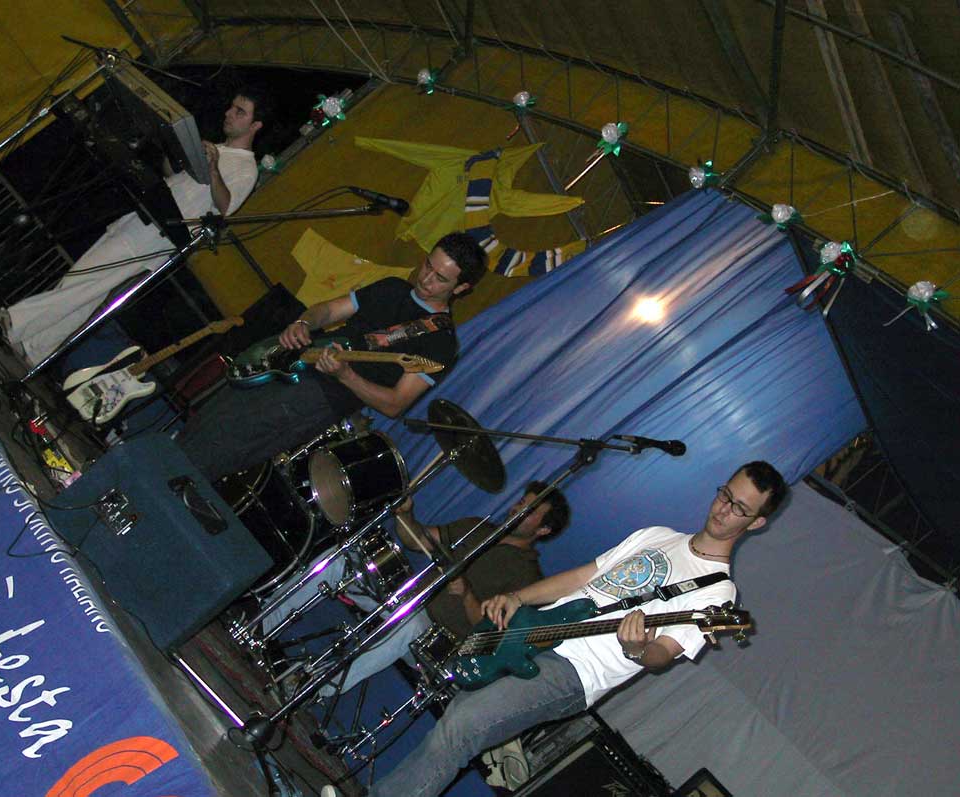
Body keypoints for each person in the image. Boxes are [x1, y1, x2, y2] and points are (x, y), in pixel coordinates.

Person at [322, 461, 788, 797]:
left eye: (739, 508)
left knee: (464, 726)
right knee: (457, 719)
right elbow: (583, 577)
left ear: (757, 522)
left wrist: (637, 649)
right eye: (725, 494)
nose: (723, 510)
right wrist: (519, 597)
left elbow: (663, 653)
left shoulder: (718, 593)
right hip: (536, 633)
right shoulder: (658, 535)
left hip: (576, 671)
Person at [177, 231, 487, 483]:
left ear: (461, 288)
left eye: (440, 278)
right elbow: (329, 310)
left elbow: (395, 404)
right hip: (290, 362)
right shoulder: (392, 288)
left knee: (223, 446)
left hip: (318, 399)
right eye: (428, 265)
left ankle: (172, 484)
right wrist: (303, 323)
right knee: (211, 417)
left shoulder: (440, 343)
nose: (426, 278)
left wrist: (346, 375)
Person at [0, 90, 264, 365]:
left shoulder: (246, 168)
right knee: (89, 290)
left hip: (156, 237)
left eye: (240, 112)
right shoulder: (217, 148)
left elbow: (225, 206)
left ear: (256, 125)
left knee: (83, 278)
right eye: (232, 107)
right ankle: (35, 347)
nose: (229, 114)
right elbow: (175, 179)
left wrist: (214, 169)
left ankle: (16, 321)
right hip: (146, 220)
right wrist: (174, 152)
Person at [262, 482, 571, 694]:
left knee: (409, 624)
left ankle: (310, 686)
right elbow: (418, 540)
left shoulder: (528, 578)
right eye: (521, 501)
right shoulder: (478, 527)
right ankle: (261, 628)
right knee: (342, 559)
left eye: (529, 509)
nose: (517, 508)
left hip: (437, 640)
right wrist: (406, 514)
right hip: (405, 599)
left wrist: (466, 594)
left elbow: (487, 633)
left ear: (544, 530)